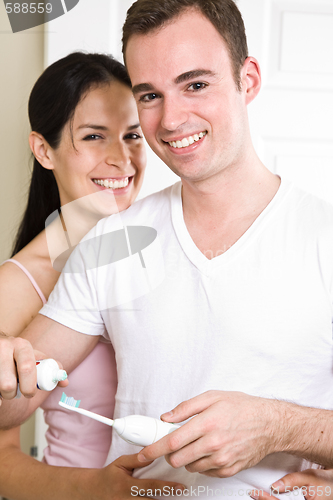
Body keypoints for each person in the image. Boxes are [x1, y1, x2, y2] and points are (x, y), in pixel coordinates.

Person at [1, 0, 333, 498]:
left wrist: (280, 425)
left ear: (248, 80)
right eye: (150, 95)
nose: (172, 119)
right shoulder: (109, 242)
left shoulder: (321, 237)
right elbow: (14, 408)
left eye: (195, 84)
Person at [0, 51, 183, 500]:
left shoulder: (176, 242)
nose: (121, 158)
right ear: (45, 150)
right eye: (94, 137)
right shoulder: (18, 286)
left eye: (132, 135)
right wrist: (96, 489)